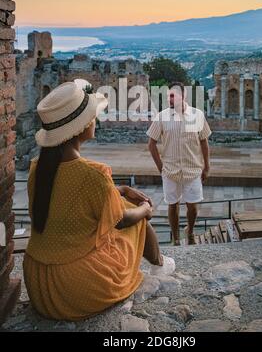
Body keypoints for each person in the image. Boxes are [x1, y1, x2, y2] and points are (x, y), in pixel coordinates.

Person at [23, 81, 175, 321]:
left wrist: (121, 189)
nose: (96, 120)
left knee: (118, 203)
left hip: (38, 283)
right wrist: (145, 209)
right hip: (76, 286)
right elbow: (122, 221)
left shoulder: (37, 168)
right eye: (91, 116)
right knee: (133, 217)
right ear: (79, 127)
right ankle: (159, 264)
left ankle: (160, 262)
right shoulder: (93, 174)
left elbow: (69, 192)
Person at [147, 82, 212, 246]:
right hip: (170, 170)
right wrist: (160, 167)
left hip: (192, 169)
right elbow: (151, 144)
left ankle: (189, 231)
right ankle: (175, 238)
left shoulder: (197, 115)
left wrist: (207, 166)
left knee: (193, 207)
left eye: (173, 95)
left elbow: (204, 142)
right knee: (172, 205)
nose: (170, 98)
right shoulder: (162, 117)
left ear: (184, 96)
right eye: (169, 95)